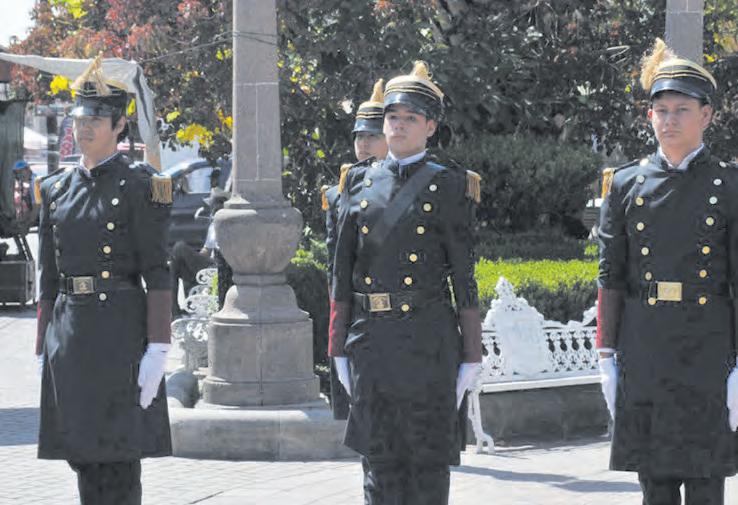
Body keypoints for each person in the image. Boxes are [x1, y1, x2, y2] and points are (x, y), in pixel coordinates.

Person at [328, 61, 482, 504]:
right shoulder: (357, 183)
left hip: (427, 340)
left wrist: (471, 354)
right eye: (392, 117)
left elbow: (464, 276)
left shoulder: (450, 185)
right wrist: (337, 346)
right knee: (378, 466)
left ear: (430, 127)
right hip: (372, 340)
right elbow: (341, 273)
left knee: (427, 466)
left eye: (410, 118)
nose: (398, 125)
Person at [597, 38, 738, 505]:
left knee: (705, 482)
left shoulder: (729, 184)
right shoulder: (626, 183)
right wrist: (606, 354)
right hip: (646, 347)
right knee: (654, 483)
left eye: (682, 110)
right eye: (661, 111)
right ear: (649, 116)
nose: (670, 120)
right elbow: (611, 275)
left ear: (707, 115)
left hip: (707, 347)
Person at [34, 55, 173, 505]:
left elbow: (158, 270)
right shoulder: (56, 189)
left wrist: (158, 346)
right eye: (80, 118)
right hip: (71, 336)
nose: (85, 127)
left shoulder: (139, 185)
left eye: (96, 119)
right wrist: (44, 343)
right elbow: (48, 276)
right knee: (81, 454)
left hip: (119, 335)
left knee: (118, 457)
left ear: (119, 126)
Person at [322, 78, 388, 421]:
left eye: (372, 136)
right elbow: (335, 263)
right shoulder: (338, 193)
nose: (363, 143)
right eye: (359, 136)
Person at [169, 186, 229, 316]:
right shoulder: (213, 225)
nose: (212, 209)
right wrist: (192, 258)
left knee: (179, 248)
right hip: (212, 261)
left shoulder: (227, 223)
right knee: (178, 261)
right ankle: (175, 310)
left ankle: (175, 310)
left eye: (215, 205)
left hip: (221, 264)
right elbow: (206, 250)